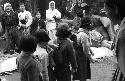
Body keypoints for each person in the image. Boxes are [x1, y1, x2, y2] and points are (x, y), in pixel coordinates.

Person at [105, 0, 125, 80]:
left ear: (116, 9)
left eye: (106, 11)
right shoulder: (121, 28)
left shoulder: (123, 34)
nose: (106, 16)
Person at [72, 17, 93, 81]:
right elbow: (85, 49)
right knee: (82, 72)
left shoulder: (83, 32)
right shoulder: (83, 35)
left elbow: (87, 45)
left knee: (81, 72)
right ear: (88, 25)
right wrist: (91, 58)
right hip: (81, 56)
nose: (92, 24)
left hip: (80, 55)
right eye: (91, 23)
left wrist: (91, 50)